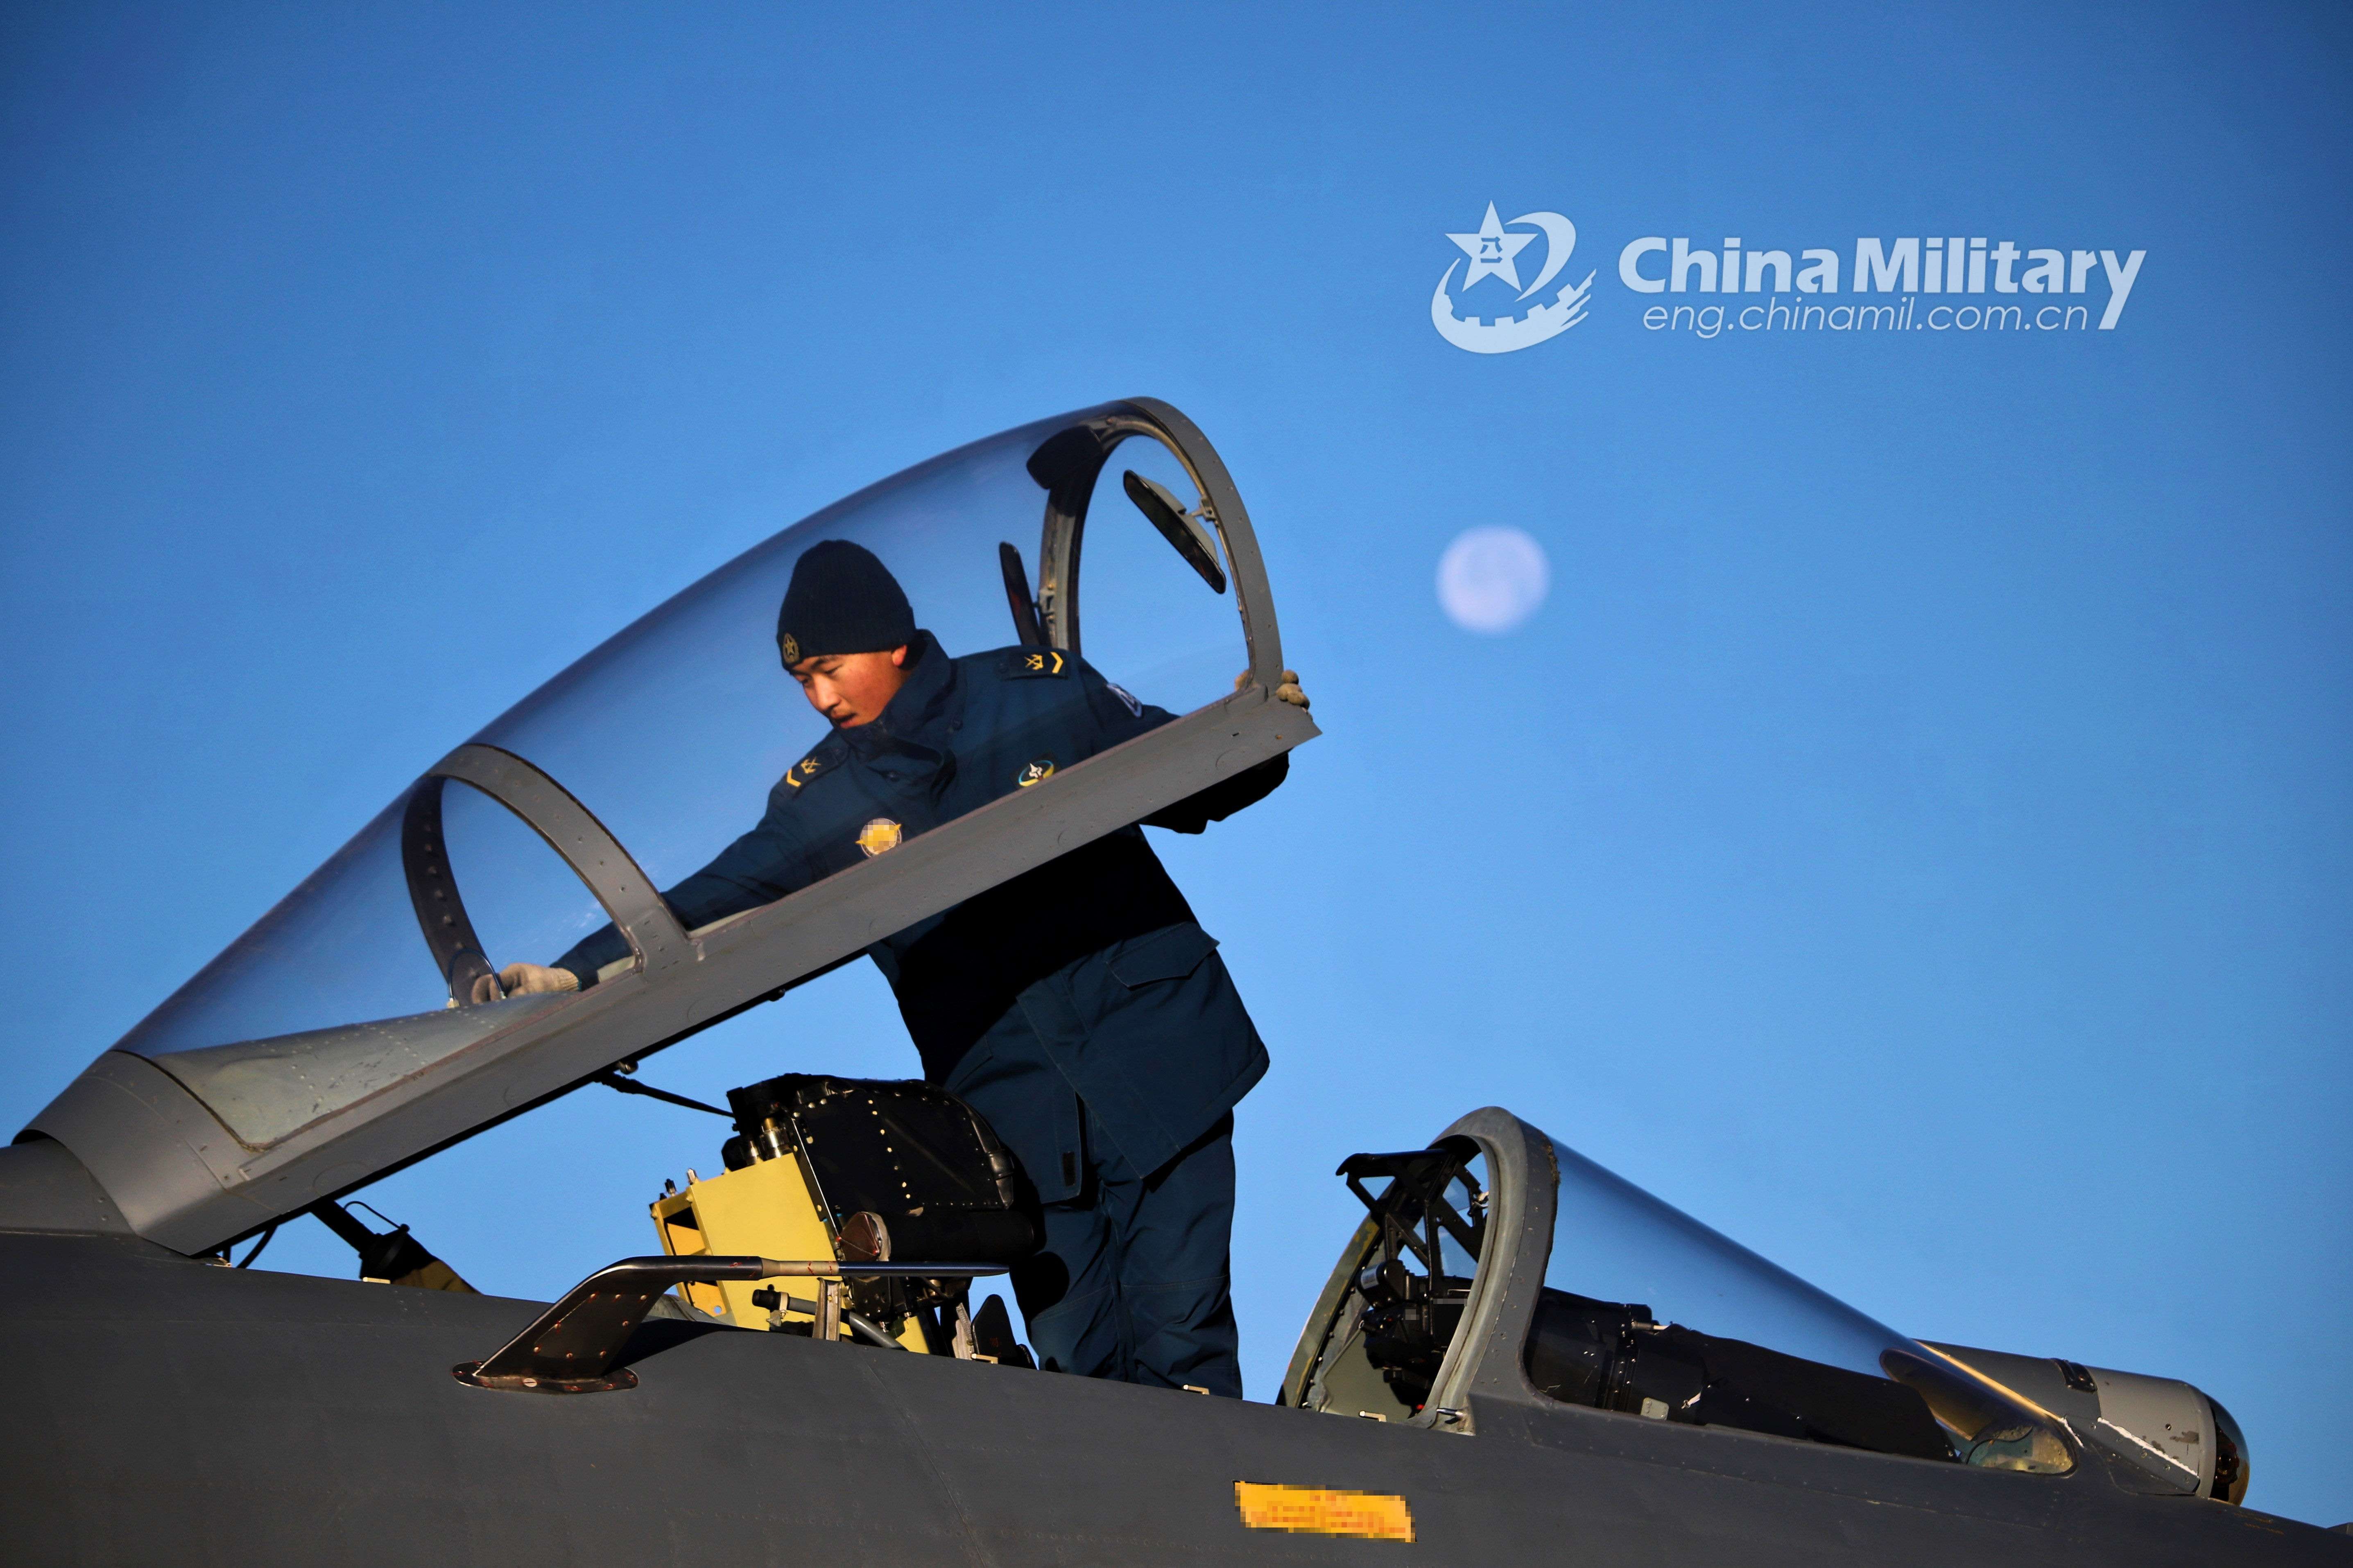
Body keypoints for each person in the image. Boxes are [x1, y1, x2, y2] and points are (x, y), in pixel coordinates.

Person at [490, 539, 1304, 1396]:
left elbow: (1186, 776)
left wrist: (1258, 736)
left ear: (891, 643)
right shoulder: (820, 801)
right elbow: (704, 899)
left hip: (1159, 1058)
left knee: (1185, 1343)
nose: (820, 697)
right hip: (1020, 1120)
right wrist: (574, 974)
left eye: (829, 670)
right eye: (802, 681)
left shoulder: (1038, 690)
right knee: (1079, 1375)